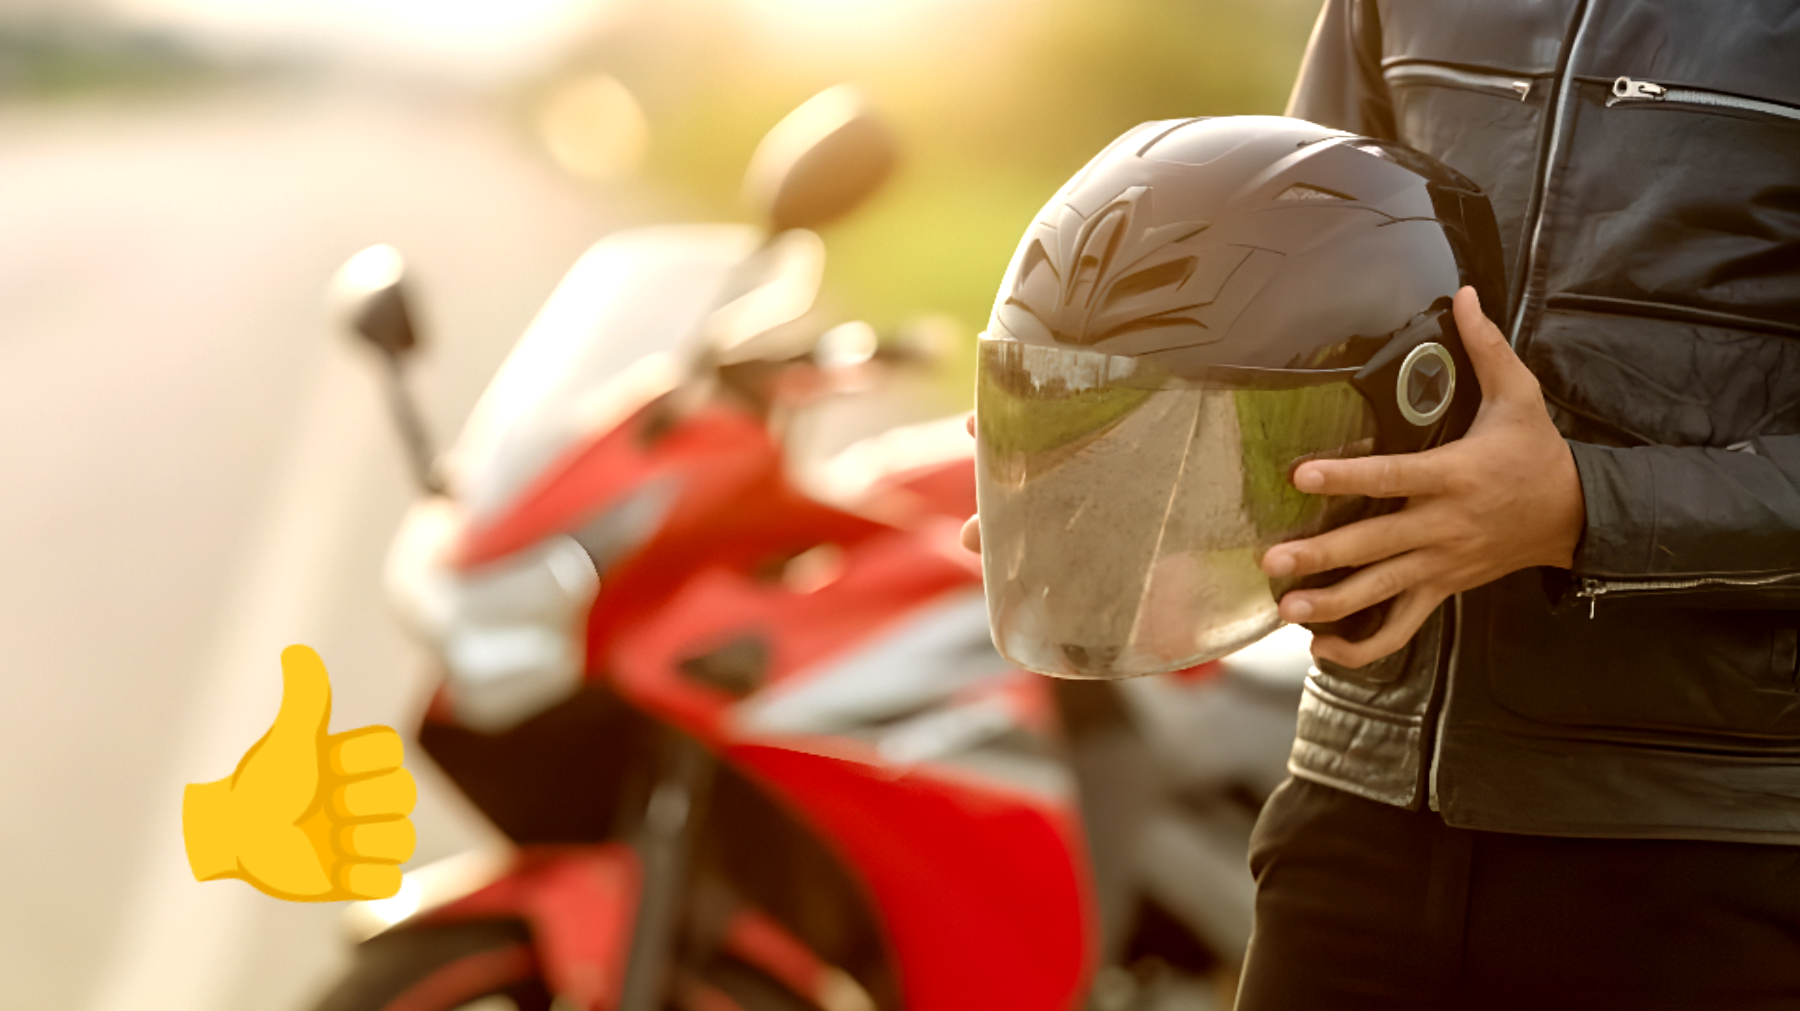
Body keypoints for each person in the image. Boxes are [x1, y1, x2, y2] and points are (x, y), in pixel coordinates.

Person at [966, 1, 1800, 1006]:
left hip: (1715, 845)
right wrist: (1135, 476)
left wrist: (1583, 507)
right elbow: (1292, 277)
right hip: (1353, 804)